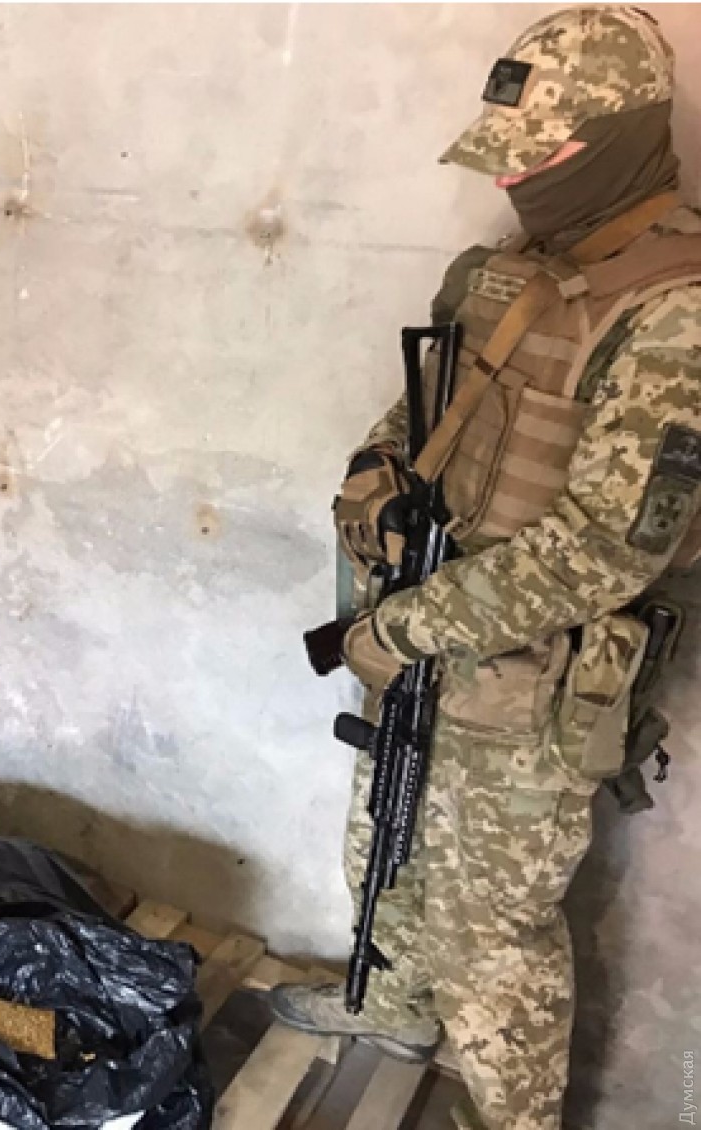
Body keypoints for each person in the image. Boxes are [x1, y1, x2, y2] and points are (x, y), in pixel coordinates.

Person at [270, 7, 701, 1130]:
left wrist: (403, 626)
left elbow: (606, 548)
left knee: (493, 933)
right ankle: (392, 1008)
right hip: (426, 621)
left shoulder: (677, 314)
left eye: (537, 158)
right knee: (385, 847)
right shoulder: (509, 274)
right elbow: (425, 408)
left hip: (532, 681)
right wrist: (371, 480)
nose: (511, 182)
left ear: (621, 141)